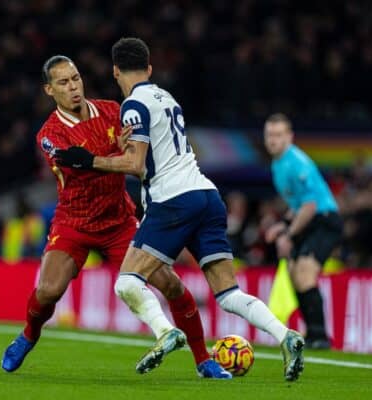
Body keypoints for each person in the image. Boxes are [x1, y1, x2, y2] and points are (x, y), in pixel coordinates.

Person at [55, 38, 304, 381]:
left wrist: (90, 160)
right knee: (229, 294)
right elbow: (155, 151)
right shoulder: (166, 98)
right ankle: (286, 335)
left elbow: (137, 163)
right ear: (150, 69)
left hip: (173, 200)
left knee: (127, 283)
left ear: (115, 71)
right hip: (207, 195)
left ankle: (166, 332)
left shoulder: (133, 104)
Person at [1, 55, 231, 379]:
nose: (74, 87)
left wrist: (111, 156)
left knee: (172, 284)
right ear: (49, 90)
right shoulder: (49, 134)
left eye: (76, 78)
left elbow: (131, 157)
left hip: (119, 220)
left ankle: (203, 359)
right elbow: (75, 165)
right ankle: (29, 334)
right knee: (49, 291)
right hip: (74, 221)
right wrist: (116, 155)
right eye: (64, 83)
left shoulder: (113, 109)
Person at [263, 113, 343, 349]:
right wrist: (283, 225)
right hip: (309, 220)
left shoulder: (297, 162)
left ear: (290, 137)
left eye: (278, 135)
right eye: (269, 135)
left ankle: (319, 336)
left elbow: (310, 206)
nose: (273, 140)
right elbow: (298, 206)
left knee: (305, 272)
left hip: (324, 221)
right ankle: (312, 334)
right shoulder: (278, 164)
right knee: (294, 272)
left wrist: (288, 235)